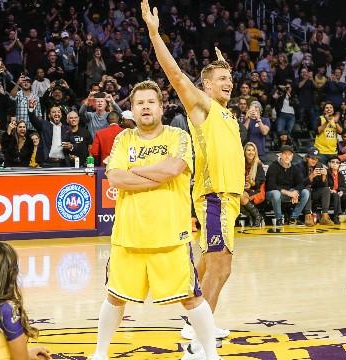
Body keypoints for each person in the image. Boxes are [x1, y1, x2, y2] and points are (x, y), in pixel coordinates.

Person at [89, 80, 220, 360]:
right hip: (129, 237)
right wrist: (155, 174)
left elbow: (174, 168)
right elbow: (115, 177)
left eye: (151, 102)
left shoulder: (178, 136)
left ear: (161, 108)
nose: (145, 106)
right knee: (114, 296)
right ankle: (100, 354)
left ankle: (210, 354)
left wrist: (135, 171)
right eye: (139, 103)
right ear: (132, 111)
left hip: (170, 237)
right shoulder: (123, 139)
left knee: (191, 297)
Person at [143, 0, 243, 341]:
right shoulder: (202, 106)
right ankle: (202, 333)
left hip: (227, 199)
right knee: (221, 266)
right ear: (206, 87)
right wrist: (155, 34)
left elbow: (220, 77)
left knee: (208, 262)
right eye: (221, 79)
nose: (229, 82)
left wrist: (221, 65)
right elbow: (175, 75)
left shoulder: (227, 113)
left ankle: (190, 316)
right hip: (215, 196)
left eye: (231, 78)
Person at [265, 145, 313, 226]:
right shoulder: (273, 166)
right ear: (280, 155)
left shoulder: (294, 168)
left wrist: (296, 192)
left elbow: (301, 183)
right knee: (276, 193)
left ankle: (293, 218)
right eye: (285, 154)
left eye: (289, 154)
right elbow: (271, 185)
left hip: (289, 193)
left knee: (305, 192)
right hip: (273, 194)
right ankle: (279, 219)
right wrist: (289, 193)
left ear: (292, 156)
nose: (287, 156)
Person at [241, 142, 264, 227]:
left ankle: (257, 216)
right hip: (242, 188)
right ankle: (250, 216)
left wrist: (251, 183)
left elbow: (259, 183)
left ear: (255, 152)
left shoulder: (258, 164)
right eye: (248, 150)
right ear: (244, 152)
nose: (251, 152)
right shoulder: (240, 164)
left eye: (253, 150)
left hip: (255, 189)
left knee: (241, 196)